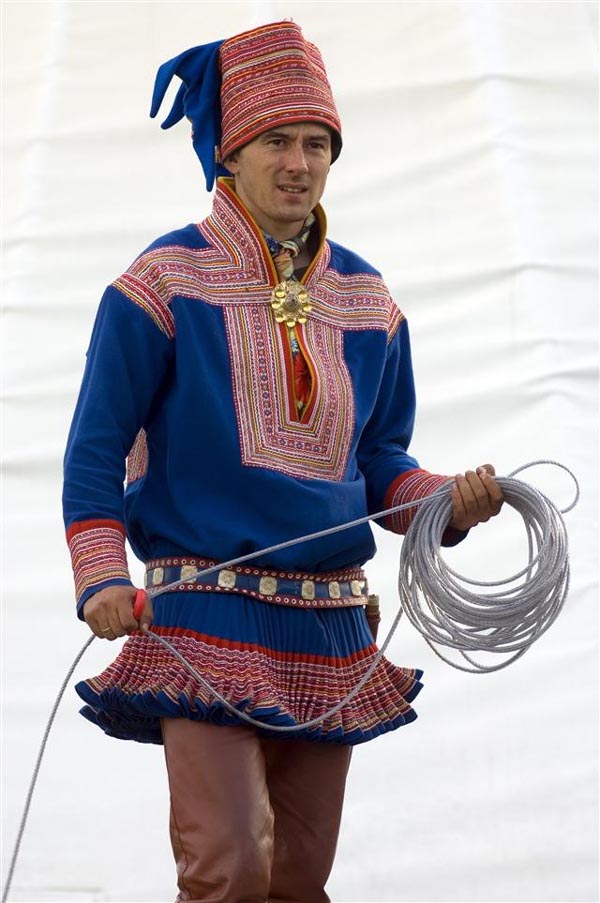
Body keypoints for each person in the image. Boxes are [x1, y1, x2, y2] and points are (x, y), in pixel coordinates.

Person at [62, 21, 504, 903]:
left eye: (316, 143)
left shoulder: (369, 302)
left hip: (328, 622)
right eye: (276, 141)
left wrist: (443, 503)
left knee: (299, 878)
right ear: (229, 153)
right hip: (201, 619)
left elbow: (378, 459)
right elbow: (94, 451)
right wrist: (100, 575)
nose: (298, 163)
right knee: (230, 864)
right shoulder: (159, 285)